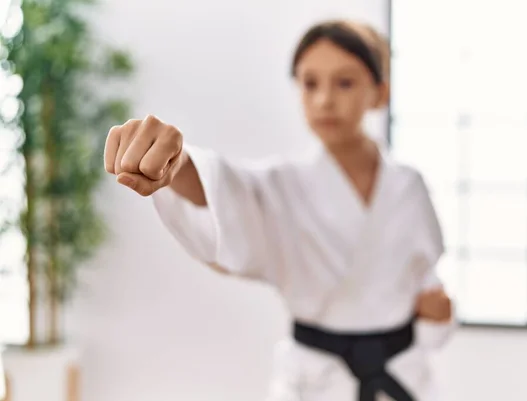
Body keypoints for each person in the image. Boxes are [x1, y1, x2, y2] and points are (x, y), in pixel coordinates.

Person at [104, 19, 456, 401]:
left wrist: (439, 314)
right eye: (310, 83)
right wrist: (177, 163)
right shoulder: (282, 185)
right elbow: (227, 190)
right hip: (316, 384)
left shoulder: (408, 186)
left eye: (345, 83)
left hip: (402, 376)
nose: (324, 99)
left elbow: (424, 277)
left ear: (380, 93)